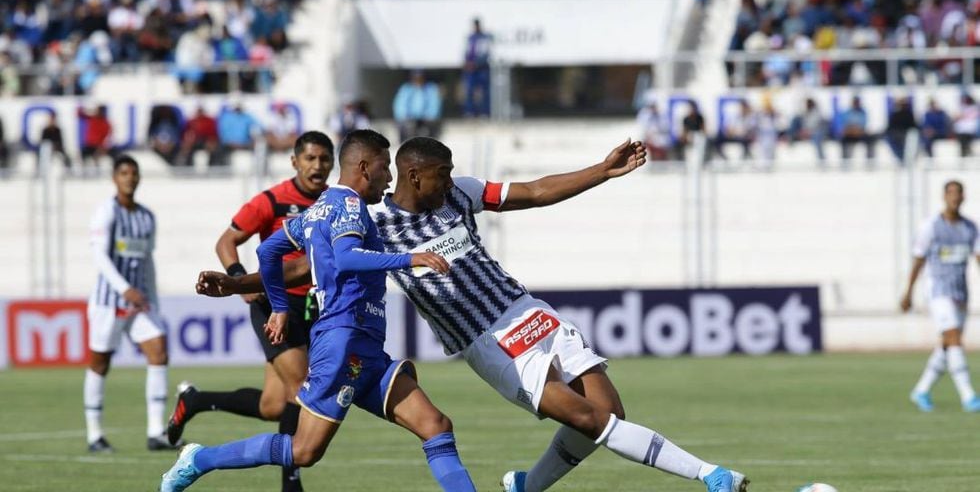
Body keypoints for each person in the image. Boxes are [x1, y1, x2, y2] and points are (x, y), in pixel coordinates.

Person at [197, 136, 749, 492]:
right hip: (488, 341)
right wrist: (236, 284)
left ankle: (524, 487)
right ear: (415, 176)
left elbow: (534, 191)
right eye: (442, 172)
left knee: (608, 412)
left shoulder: (459, 193)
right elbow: (305, 267)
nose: (451, 177)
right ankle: (710, 475)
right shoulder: (375, 223)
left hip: (529, 311)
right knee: (587, 421)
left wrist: (601, 171)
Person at [161, 130, 477, 492]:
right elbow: (346, 257)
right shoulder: (350, 206)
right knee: (303, 450)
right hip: (343, 342)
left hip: (365, 348)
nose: (390, 177)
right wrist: (411, 258)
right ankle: (200, 459)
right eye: (384, 167)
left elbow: (268, 252)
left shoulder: (318, 208)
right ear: (364, 167)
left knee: (435, 426)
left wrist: (276, 304)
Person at [165, 131, 334, 492]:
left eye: (324, 159)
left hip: (313, 306)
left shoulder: (333, 202)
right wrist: (240, 278)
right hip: (275, 305)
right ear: (294, 161)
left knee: (273, 405)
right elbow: (226, 241)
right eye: (310, 158)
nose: (317, 166)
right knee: (300, 388)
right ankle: (291, 482)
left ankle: (196, 400)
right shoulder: (272, 200)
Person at [84, 155, 184, 453]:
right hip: (108, 302)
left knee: (159, 350)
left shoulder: (147, 217)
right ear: (114, 178)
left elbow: (147, 259)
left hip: (140, 302)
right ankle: (94, 435)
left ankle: (156, 432)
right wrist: (124, 288)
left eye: (134, 173)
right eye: (124, 173)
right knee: (100, 362)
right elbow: (100, 256)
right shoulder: (106, 212)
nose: (130, 178)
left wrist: (152, 298)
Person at [902, 181, 980, 413]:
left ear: (963, 197)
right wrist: (908, 292)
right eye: (951, 193)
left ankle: (921, 390)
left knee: (947, 345)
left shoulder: (970, 228)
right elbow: (918, 260)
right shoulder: (931, 227)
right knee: (953, 337)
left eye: (958, 193)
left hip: (960, 292)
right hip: (938, 291)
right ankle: (968, 396)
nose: (955, 197)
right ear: (944, 196)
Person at [393, 70, 442, 143]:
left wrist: (430, 115)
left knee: (430, 127)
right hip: (410, 118)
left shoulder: (431, 88)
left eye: (420, 77)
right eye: (415, 78)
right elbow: (400, 105)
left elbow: (435, 104)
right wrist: (404, 116)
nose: (418, 80)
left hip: (426, 118)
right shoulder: (406, 88)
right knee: (407, 126)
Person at [463, 18, 492, 117]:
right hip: (471, 69)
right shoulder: (470, 38)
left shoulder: (484, 38)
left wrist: (476, 63)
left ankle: (485, 111)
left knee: (485, 91)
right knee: (469, 90)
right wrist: (467, 63)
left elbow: (485, 54)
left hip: (481, 68)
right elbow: (467, 52)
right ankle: (470, 111)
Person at [884, 96, 917, 164]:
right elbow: (890, 126)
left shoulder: (908, 114)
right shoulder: (895, 114)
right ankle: (901, 157)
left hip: (905, 133)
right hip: (895, 133)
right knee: (888, 139)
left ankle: (903, 158)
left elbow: (913, 125)